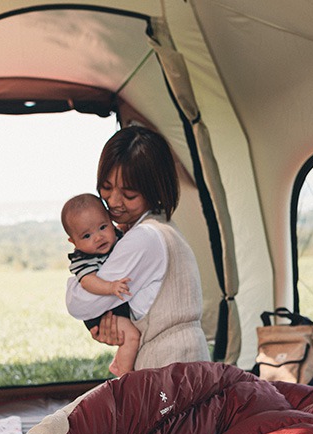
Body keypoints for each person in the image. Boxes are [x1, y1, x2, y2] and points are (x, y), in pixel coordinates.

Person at [65, 126, 210, 371]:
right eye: (106, 187)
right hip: (185, 360)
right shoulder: (164, 227)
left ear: (154, 191)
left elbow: (79, 305)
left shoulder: (143, 239)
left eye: (129, 194)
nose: (113, 201)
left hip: (164, 365)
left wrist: (73, 286)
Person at [61, 193, 141, 376]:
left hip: (116, 304)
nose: (98, 237)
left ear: (111, 221)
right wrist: (110, 287)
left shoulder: (119, 236)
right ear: (73, 242)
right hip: (99, 314)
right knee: (131, 336)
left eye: (103, 227)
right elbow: (88, 282)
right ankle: (124, 375)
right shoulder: (83, 258)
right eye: (87, 235)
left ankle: (119, 363)